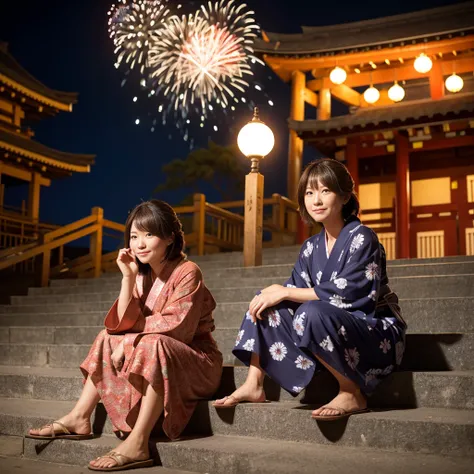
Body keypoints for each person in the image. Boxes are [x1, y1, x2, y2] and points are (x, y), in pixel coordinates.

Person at [27, 200, 223, 471]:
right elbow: (120, 325)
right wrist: (128, 278)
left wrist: (130, 341)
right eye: (134, 236)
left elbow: (178, 329)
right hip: (159, 349)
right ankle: (80, 416)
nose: (140, 244)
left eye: (149, 234)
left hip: (196, 359)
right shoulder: (141, 274)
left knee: (153, 343)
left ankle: (138, 442)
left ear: (169, 238)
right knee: (107, 337)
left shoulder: (188, 272)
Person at [214, 158, 406, 421]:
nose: (316, 200)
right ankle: (254, 383)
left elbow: (353, 294)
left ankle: (351, 391)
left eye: (325, 191)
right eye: (309, 192)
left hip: (373, 331)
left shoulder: (363, 237)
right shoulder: (311, 247)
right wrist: (276, 293)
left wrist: (286, 292)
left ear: (345, 195)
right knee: (266, 303)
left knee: (310, 312)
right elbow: (294, 293)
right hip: (329, 330)